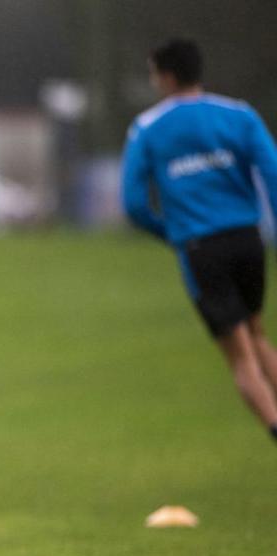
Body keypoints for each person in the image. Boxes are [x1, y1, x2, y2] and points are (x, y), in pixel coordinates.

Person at [122, 38, 277, 443]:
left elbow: (135, 203)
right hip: (248, 239)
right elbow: (273, 173)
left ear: (167, 76)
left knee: (240, 358)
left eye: (154, 73)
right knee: (258, 335)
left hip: (200, 248)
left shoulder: (148, 128)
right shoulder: (239, 115)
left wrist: (171, 233)